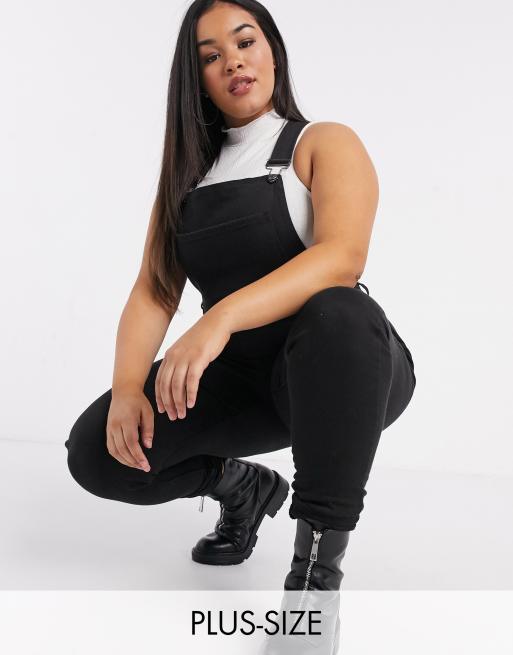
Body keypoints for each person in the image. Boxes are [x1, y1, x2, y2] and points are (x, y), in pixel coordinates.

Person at [65, 0, 416, 595]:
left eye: (245, 42)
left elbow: (342, 257)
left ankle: (314, 585)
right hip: (244, 383)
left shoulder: (322, 142)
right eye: (211, 56)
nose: (233, 61)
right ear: (197, 80)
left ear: (272, 51)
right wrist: (127, 389)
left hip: (344, 368)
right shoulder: (186, 181)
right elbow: (154, 290)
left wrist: (219, 319)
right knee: (98, 451)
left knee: (339, 307)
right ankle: (242, 489)